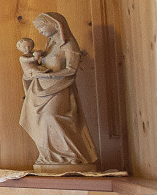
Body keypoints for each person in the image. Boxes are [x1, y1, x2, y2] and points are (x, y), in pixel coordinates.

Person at [19, 12, 98, 170]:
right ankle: (49, 157)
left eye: (42, 27)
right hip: (40, 89)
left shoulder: (69, 45)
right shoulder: (49, 46)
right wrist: (32, 72)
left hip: (59, 87)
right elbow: (40, 66)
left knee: (52, 117)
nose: (40, 31)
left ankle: (71, 156)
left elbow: (71, 70)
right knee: (39, 120)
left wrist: (49, 75)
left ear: (55, 24)